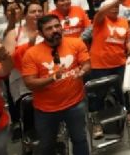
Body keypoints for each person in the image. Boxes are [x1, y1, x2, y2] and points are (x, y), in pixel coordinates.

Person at [21, 14, 91, 155]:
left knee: (80, 139)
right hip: (46, 110)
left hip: (75, 104)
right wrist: (53, 78)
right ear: (41, 33)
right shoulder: (31, 54)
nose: (55, 30)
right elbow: (30, 83)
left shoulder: (76, 43)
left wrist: (83, 71)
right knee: (47, 145)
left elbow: (87, 64)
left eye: (57, 26)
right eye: (49, 28)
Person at [88, 0, 130, 137]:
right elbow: (100, 13)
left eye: (117, 7)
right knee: (99, 95)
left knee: (122, 92)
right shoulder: (100, 20)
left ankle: (128, 114)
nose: (115, 8)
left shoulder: (123, 22)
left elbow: (127, 41)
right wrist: (116, 0)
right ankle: (97, 123)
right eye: (112, 6)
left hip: (119, 63)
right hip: (100, 65)